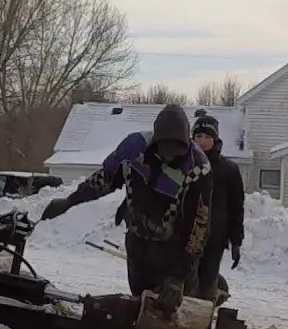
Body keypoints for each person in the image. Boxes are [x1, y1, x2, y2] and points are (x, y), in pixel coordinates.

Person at [41, 104, 212, 316]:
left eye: (176, 152)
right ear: (156, 142)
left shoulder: (198, 167)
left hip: (174, 249)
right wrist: (70, 200)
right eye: (165, 150)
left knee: (175, 314)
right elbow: (105, 179)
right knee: (141, 307)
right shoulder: (134, 147)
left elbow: (199, 227)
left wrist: (179, 277)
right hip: (138, 242)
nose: (170, 157)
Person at [188, 112, 245, 302]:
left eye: (207, 137)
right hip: (185, 238)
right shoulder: (184, 165)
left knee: (206, 287)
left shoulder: (228, 170)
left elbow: (236, 208)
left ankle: (202, 326)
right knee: (184, 285)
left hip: (214, 239)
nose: (202, 141)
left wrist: (235, 240)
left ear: (215, 139)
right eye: (198, 136)